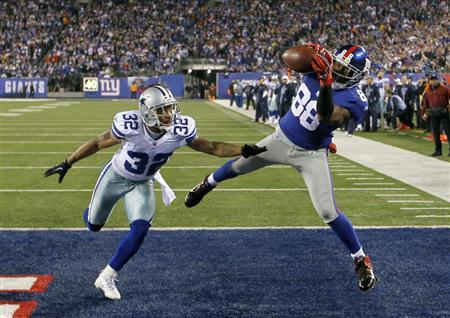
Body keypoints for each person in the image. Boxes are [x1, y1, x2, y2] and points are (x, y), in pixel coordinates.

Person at [44, 85, 266, 300]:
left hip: (143, 182)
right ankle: (92, 211)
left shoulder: (180, 129)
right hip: (115, 176)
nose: (169, 114)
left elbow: (212, 147)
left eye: (170, 108)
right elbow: (98, 143)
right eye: (162, 110)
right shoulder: (129, 124)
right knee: (93, 225)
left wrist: (242, 150)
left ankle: (107, 276)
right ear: (147, 112)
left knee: (140, 229)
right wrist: (68, 162)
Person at [185, 44, 377, 292]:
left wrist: (326, 82)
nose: (338, 68)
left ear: (357, 75)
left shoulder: (355, 99)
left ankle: (361, 259)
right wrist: (311, 53)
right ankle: (207, 183)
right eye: (338, 62)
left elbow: (327, 116)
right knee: (239, 165)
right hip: (280, 138)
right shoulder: (317, 68)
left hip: (310, 154)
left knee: (327, 210)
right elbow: (286, 56)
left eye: (345, 68)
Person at [420, 75, 450, 156]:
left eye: (435, 80)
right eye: (432, 80)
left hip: (443, 112)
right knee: (435, 134)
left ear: (438, 80)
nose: (434, 81)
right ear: (430, 81)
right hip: (433, 113)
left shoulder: (444, 89)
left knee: (448, 132)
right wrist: (422, 113)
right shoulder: (427, 92)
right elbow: (425, 104)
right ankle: (438, 151)